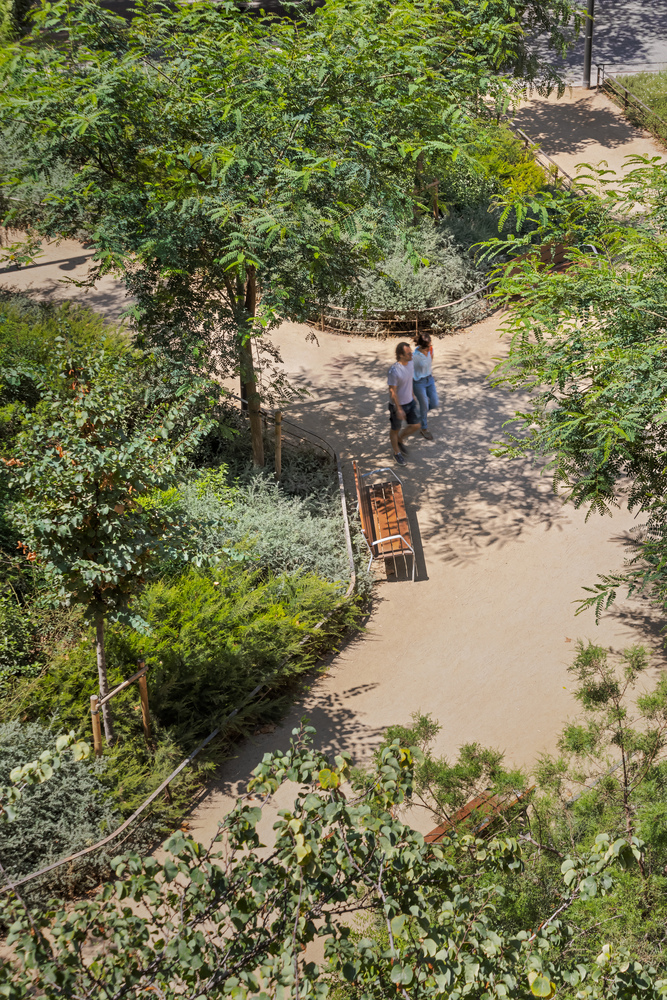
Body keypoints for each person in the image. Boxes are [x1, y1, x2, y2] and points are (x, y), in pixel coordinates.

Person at [387, 341, 421, 466]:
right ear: (401, 355)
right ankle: (397, 453)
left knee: (416, 425)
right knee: (395, 429)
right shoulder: (394, 371)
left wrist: (412, 394)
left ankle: (400, 439)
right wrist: (399, 408)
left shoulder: (410, 363)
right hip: (397, 406)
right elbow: (392, 391)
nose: (411, 355)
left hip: (410, 401)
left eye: (411, 352)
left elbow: (409, 380)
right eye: (408, 353)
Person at [412, 331, 439, 441]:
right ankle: (424, 428)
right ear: (422, 346)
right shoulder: (415, 357)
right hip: (418, 382)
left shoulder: (430, 350)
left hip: (429, 379)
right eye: (428, 346)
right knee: (424, 406)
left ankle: (416, 416)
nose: (430, 347)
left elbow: (430, 360)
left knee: (434, 403)